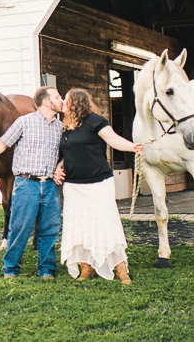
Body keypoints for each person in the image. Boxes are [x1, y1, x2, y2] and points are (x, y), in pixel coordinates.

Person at [53, 88, 143, 284]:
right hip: (74, 186)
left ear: (76, 102)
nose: (62, 103)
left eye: (66, 100)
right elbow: (67, 154)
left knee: (105, 223)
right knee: (80, 225)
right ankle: (87, 267)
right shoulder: (65, 127)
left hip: (99, 183)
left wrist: (132, 146)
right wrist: (58, 168)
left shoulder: (95, 121)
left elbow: (113, 140)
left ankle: (120, 267)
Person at [0, 86, 64, 280]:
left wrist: (60, 167)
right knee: (20, 227)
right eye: (57, 97)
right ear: (46, 102)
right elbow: (3, 143)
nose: (61, 99)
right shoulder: (24, 122)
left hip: (49, 185)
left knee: (50, 228)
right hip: (26, 184)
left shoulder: (59, 127)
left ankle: (47, 269)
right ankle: (11, 268)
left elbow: (64, 153)